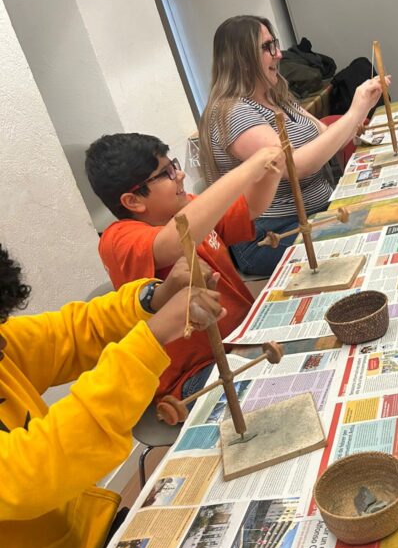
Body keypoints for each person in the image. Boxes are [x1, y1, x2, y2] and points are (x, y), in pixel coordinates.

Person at [0, 245, 223, 548]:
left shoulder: (3, 346)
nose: (3, 344)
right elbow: (31, 472)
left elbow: (71, 331)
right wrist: (152, 338)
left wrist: (154, 298)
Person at [85, 132, 282, 400]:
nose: (179, 175)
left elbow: (250, 207)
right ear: (133, 201)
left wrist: (272, 170)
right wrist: (249, 168)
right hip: (194, 373)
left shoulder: (186, 207)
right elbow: (175, 242)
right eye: (165, 173)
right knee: (276, 391)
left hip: (242, 336)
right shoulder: (118, 239)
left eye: (174, 165)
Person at [197, 15, 384, 277]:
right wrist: (355, 110)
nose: (279, 55)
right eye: (267, 47)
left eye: (275, 44)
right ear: (242, 58)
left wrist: (359, 116)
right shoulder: (231, 111)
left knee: (382, 214)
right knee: (368, 238)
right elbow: (295, 166)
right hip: (271, 233)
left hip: (315, 213)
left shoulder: (275, 95)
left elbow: (327, 136)